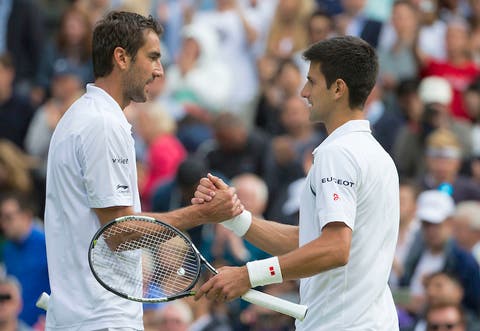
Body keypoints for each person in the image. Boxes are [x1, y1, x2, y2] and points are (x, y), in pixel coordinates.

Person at [43, 11, 242, 330]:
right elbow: (121, 233)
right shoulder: (103, 124)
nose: (160, 71)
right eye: (152, 57)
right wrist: (202, 214)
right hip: (102, 319)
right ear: (121, 57)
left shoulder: (82, 115)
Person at [192, 36, 400, 330]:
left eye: (312, 82)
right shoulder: (378, 156)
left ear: (338, 88)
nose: (304, 92)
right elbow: (309, 241)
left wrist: (248, 275)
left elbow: (334, 249)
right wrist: (233, 218)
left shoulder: (337, 153)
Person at [0, 192, 49, 326]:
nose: (3, 224)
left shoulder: (47, 244)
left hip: (44, 325)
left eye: (9, 217)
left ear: (26, 216)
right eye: (1, 218)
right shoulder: (7, 249)